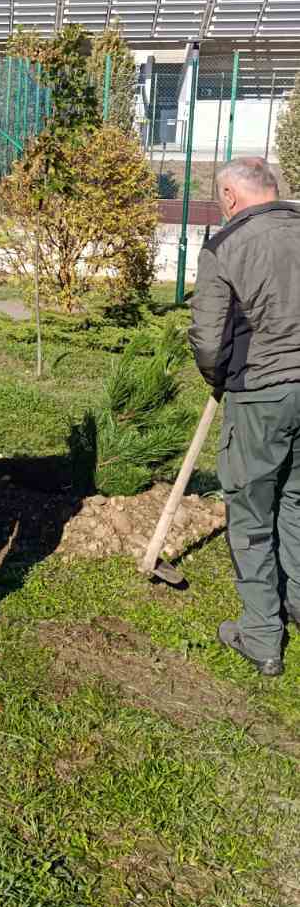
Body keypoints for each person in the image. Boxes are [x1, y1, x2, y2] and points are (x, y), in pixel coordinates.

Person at [188, 157, 300, 677]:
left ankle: (261, 635)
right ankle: (296, 605)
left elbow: (209, 340)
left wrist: (216, 377)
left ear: (230, 197)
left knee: (252, 510)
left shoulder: (226, 245)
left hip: (261, 392)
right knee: (296, 500)